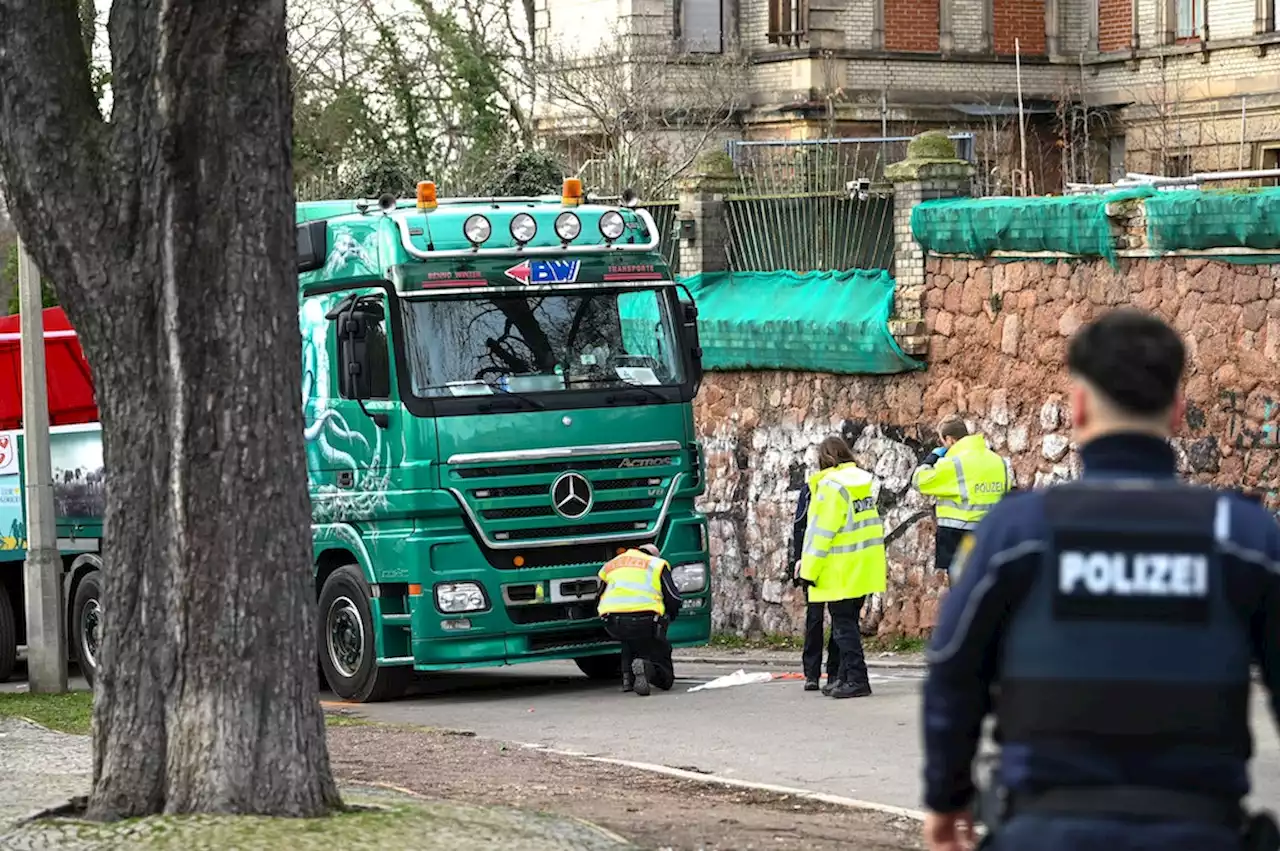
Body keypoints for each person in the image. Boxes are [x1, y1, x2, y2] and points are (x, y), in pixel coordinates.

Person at [921, 308, 1280, 851]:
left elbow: (953, 673)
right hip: (1200, 831)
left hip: (1042, 831)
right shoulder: (1243, 537)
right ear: (1178, 412)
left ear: (1079, 409)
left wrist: (946, 800)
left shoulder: (1018, 534)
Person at [796, 435, 886, 699]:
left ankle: (857, 678)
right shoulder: (863, 484)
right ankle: (845, 677)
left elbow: (820, 535)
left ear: (823, 460)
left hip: (839, 570)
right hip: (864, 565)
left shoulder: (830, 488)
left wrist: (808, 572)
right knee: (850, 624)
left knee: (843, 626)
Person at [912, 415, 1012, 579]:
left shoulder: (953, 464)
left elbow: (918, 480)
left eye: (943, 442)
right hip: (992, 537)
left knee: (965, 597)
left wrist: (934, 456)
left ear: (950, 440)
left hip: (959, 540)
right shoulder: (998, 461)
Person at [789, 436, 846, 692]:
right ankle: (822, 673)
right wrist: (799, 559)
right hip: (831, 562)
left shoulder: (820, 487)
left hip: (823, 561)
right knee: (827, 618)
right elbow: (800, 525)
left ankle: (822, 672)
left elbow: (800, 527)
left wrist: (799, 559)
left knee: (823, 618)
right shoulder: (821, 488)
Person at [597, 543, 682, 696]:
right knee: (661, 655)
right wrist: (669, 616)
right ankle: (650, 669)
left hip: (613, 621)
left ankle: (627, 679)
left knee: (628, 642)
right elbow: (673, 597)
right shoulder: (656, 564)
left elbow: (599, 595)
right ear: (653, 554)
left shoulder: (612, 564)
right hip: (645, 620)